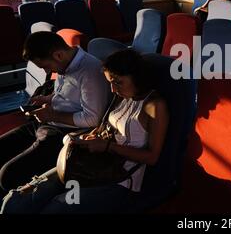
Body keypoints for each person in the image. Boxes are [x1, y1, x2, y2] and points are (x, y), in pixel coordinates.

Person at [1, 49, 170, 214]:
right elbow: (107, 125)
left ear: (137, 77)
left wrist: (107, 146)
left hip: (120, 179)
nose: (112, 89)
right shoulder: (123, 94)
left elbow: (152, 157)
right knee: (17, 201)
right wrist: (92, 136)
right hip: (94, 162)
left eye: (117, 82)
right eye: (110, 82)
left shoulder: (154, 106)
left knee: (54, 208)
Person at [0, 32, 110, 195]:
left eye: (45, 66)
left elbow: (93, 119)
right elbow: (66, 94)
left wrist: (52, 116)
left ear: (58, 54)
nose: (47, 71)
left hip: (63, 133)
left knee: (7, 175)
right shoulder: (65, 62)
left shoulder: (89, 72)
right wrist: (47, 98)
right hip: (47, 122)